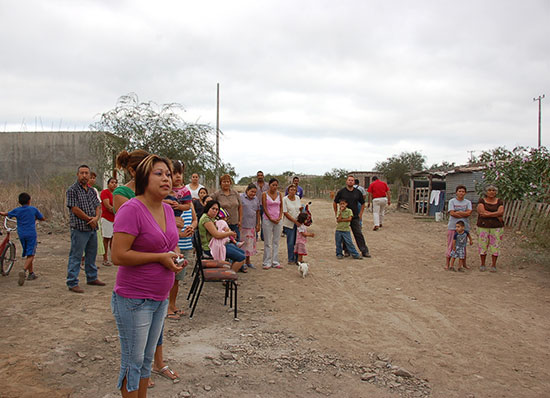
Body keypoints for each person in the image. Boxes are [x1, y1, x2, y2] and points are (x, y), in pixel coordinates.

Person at [111, 154, 186, 397]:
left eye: (168, 173)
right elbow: (118, 255)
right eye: (159, 173)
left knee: (145, 362)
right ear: (144, 177)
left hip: (159, 298)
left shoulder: (166, 209)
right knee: (132, 363)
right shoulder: (131, 209)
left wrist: (174, 257)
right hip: (134, 300)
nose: (167, 178)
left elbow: (167, 245)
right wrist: (158, 258)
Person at [65, 165, 105, 293]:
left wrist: (96, 218)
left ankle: (92, 277)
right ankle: (72, 282)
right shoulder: (72, 190)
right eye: (82, 173)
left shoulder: (92, 191)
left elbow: (98, 206)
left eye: (86, 173)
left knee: (91, 254)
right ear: (77, 175)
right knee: (76, 256)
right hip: (79, 228)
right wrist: (89, 219)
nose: (84, 175)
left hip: (93, 228)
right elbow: (75, 209)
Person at [166, 160, 196, 320]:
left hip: (185, 241)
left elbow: (190, 211)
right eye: (173, 173)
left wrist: (191, 224)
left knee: (177, 277)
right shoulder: (164, 191)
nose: (177, 177)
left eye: (179, 173)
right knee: (168, 276)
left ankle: (173, 304)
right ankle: (167, 308)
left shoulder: (185, 193)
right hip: (171, 240)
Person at [0, 192, 45, 285]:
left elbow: (6, 214)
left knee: (28, 253)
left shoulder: (17, 210)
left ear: (19, 202)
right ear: (29, 201)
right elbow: (42, 218)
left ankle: (31, 273)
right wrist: (37, 218)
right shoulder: (33, 209)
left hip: (21, 234)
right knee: (31, 254)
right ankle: (24, 271)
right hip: (31, 234)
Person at [198, 200, 245, 273]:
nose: (215, 211)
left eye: (217, 209)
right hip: (210, 247)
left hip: (217, 244)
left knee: (241, 252)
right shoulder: (206, 219)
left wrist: (228, 231)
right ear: (208, 208)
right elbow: (217, 235)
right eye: (213, 208)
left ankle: (228, 275)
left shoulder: (211, 218)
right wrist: (229, 233)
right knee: (241, 258)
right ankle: (229, 276)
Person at [333, 175, 371, 258]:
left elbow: (363, 203)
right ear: (346, 182)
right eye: (349, 180)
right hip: (343, 217)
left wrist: (361, 214)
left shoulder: (357, 192)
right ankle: (347, 251)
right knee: (345, 234)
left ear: (354, 182)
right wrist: (336, 213)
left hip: (354, 217)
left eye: (352, 180)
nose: (350, 181)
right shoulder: (342, 192)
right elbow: (335, 202)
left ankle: (364, 251)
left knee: (358, 233)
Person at [476, 185, 504, 272]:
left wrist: (487, 214)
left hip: (496, 227)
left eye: (493, 190)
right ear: (486, 192)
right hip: (483, 226)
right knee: (482, 245)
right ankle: (483, 264)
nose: (491, 192)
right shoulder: (482, 201)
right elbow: (481, 212)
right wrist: (496, 215)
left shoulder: (499, 201)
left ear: (496, 192)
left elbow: (501, 212)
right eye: (489, 190)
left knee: (495, 245)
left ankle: (493, 265)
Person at [445, 185, 472, 270]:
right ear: (456, 192)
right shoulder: (452, 201)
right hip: (453, 227)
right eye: (459, 191)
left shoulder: (468, 202)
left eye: (463, 191)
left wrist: (458, 213)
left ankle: (463, 264)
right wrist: (463, 213)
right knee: (451, 245)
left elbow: (469, 213)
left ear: (465, 193)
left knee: (463, 246)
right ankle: (447, 264)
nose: (461, 193)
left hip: (464, 227)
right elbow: (452, 213)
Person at [211, 174, 242, 241]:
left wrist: (240, 220)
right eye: (224, 182)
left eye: (228, 182)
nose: (226, 183)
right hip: (223, 224)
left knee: (237, 241)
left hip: (235, 223)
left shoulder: (235, 193)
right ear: (220, 183)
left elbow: (240, 206)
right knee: (226, 243)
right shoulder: (217, 194)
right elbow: (208, 200)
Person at [262, 178, 284, 269]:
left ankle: (275, 262)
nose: (274, 187)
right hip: (267, 220)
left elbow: (281, 206)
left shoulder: (279, 194)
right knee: (267, 242)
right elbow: (264, 207)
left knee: (276, 241)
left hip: (278, 220)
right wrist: (270, 218)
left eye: (276, 185)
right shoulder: (264, 194)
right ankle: (266, 262)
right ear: (269, 185)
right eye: (273, 185)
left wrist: (279, 217)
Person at [240, 183, 261, 269]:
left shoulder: (256, 199)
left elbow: (258, 211)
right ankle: (242, 262)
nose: (253, 194)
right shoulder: (241, 197)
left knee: (250, 245)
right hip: (243, 225)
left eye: (255, 192)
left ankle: (248, 261)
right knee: (242, 244)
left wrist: (258, 224)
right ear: (247, 190)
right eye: (251, 191)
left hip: (252, 225)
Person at [282, 184, 302, 265]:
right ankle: (290, 259)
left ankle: (297, 258)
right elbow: (285, 212)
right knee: (290, 242)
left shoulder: (297, 198)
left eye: (294, 190)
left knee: (297, 242)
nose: (293, 191)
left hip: (298, 223)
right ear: (288, 191)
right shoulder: (285, 199)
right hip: (289, 223)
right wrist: (294, 221)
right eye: (291, 190)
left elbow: (299, 208)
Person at [100, 177, 118, 267]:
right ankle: (105, 258)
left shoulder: (116, 193)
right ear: (108, 184)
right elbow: (107, 206)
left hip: (115, 219)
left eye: (115, 182)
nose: (114, 184)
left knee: (113, 239)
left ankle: (113, 257)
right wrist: (118, 211)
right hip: (107, 218)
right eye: (112, 182)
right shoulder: (105, 193)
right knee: (106, 238)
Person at [254, 171, 269, 240]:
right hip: (255, 205)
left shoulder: (267, 185)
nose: (260, 177)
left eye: (261, 175)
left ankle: (263, 236)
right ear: (257, 176)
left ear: (263, 176)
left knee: (264, 222)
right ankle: (255, 235)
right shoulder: (254, 185)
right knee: (255, 221)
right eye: (258, 175)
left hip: (264, 205)